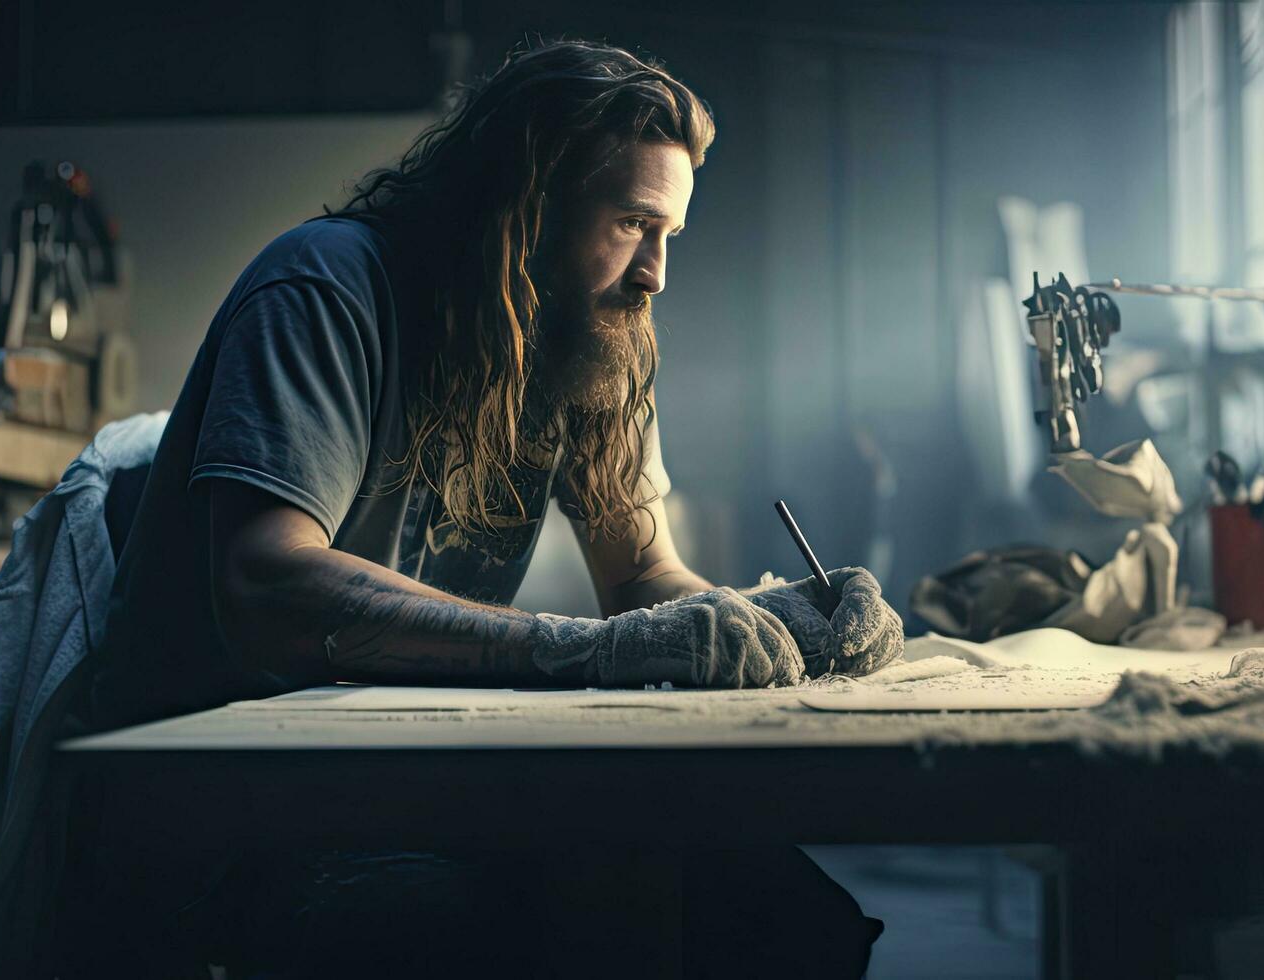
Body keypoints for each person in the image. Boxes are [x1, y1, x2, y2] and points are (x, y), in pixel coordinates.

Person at [60, 40, 902, 977]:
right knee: (460, 933)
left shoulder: (591, 333)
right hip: (240, 805)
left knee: (790, 922)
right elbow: (267, 584)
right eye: (631, 223)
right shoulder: (327, 285)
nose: (655, 271)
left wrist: (772, 620)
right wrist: (580, 650)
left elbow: (641, 578)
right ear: (526, 199)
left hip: (425, 775)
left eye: (669, 234)